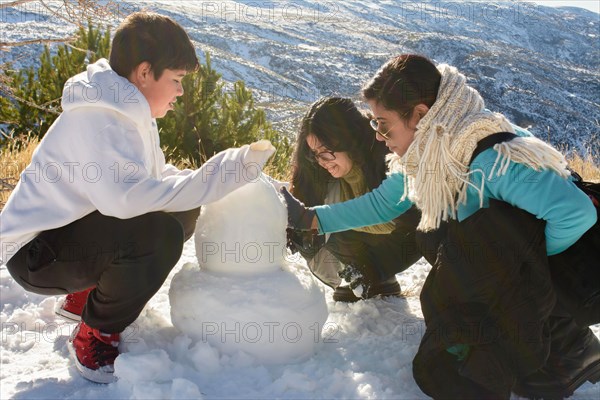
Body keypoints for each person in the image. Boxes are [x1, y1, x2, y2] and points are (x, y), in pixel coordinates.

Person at [281, 54, 599, 398]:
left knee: (467, 251)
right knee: (437, 237)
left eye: (383, 124)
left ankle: (573, 346)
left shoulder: (492, 158)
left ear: (419, 114)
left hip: (581, 273)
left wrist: (526, 266)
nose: (378, 136)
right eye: (374, 124)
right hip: (524, 266)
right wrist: (315, 219)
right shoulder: (430, 152)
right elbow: (385, 202)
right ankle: (530, 337)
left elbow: (576, 213)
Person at [0, 12, 275, 383]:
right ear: (145, 73)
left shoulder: (129, 111)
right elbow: (127, 201)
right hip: (34, 256)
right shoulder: (101, 120)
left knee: (180, 211)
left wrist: (226, 178)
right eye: (175, 80)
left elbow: (156, 181)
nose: (180, 91)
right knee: (157, 234)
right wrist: (225, 172)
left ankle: (88, 296)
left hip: (64, 238)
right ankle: (94, 333)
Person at [288, 97, 421, 302]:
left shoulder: (386, 158)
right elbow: (306, 207)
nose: (321, 162)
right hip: (362, 235)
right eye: (314, 154)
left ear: (348, 140)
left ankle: (377, 275)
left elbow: (416, 224)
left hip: (402, 234)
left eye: (326, 152)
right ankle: (365, 278)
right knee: (326, 229)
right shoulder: (323, 171)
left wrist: (374, 269)